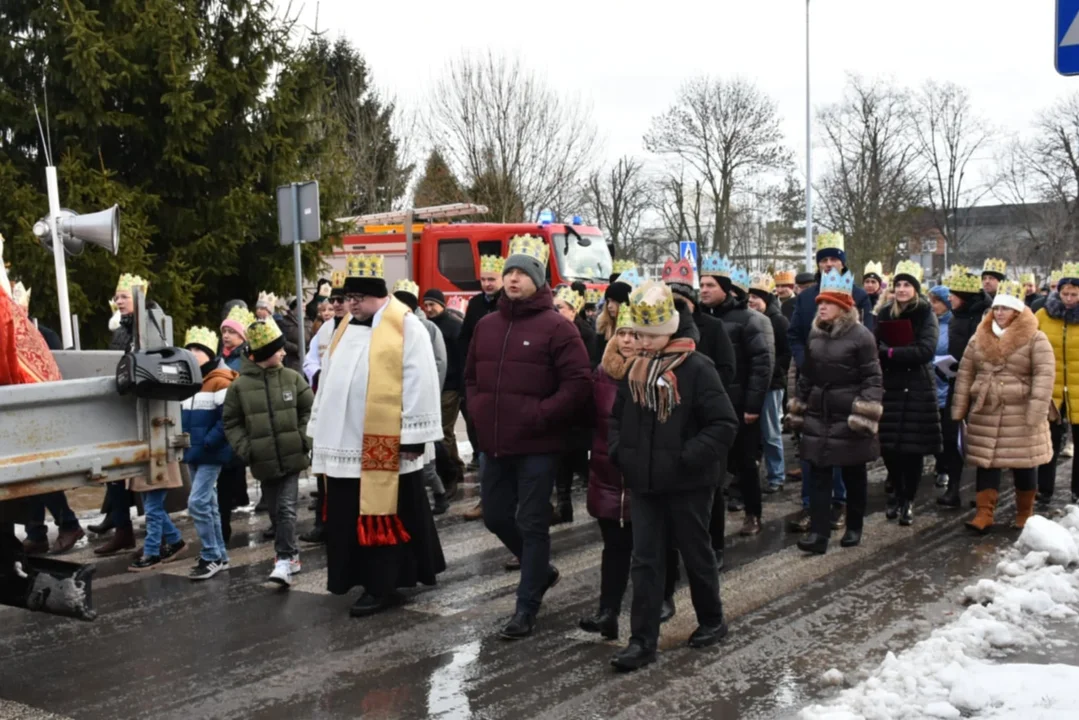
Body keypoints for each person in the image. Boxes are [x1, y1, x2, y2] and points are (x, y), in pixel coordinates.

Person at [465, 235, 592, 639]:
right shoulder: (486, 325)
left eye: (522, 273)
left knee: (532, 522)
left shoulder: (558, 327)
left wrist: (541, 415)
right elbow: (470, 378)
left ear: (538, 280)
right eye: (509, 273)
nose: (514, 279)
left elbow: (577, 384)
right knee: (497, 515)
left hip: (538, 445)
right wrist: (479, 412)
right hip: (495, 443)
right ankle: (542, 571)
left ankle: (526, 608)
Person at [608, 281, 739, 672]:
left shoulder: (697, 368)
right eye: (636, 334)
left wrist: (684, 459)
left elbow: (722, 424)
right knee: (645, 561)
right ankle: (642, 640)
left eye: (647, 335)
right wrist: (622, 453)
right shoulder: (636, 372)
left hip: (688, 483)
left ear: (666, 332)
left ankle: (712, 620)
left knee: (696, 554)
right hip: (645, 482)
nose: (639, 342)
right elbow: (616, 419)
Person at [307, 255, 444, 615]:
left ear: (378, 295)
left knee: (385, 511)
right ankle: (355, 576)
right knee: (346, 513)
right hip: (344, 442)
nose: (350, 304)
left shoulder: (405, 326)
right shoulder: (345, 327)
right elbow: (329, 379)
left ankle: (383, 584)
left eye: (358, 298)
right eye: (348, 298)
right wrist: (318, 426)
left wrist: (414, 435)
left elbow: (421, 380)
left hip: (385, 445)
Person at [579, 304, 680, 640]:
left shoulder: (658, 371)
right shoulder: (601, 374)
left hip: (645, 473)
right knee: (614, 546)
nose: (626, 340)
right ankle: (607, 612)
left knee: (653, 544)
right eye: (621, 333)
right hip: (607, 473)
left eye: (633, 333)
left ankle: (662, 598)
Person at [787, 269, 883, 554]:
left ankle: (854, 526)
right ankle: (818, 534)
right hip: (819, 413)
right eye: (819, 303)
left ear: (843, 306)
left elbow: (873, 378)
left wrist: (863, 413)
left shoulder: (861, 336)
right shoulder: (815, 336)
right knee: (818, 474)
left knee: (853, 473)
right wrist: (798, 407)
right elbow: (808, 374)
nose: (821, 307)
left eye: (827, 303)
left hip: (848, 413)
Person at [953, 281, 1055, 532]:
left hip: (1019, 410)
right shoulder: (979, 337)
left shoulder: (1036, 338)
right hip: (987, 409)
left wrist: (1036, 411)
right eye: (996, 308)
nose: (999, 313)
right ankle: (984, 513)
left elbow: (1044, 376)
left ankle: (1025, 512)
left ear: (1017, 312)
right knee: (986, 462)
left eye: (1005, 309)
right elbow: (966, 373)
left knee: (1024, 462)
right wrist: (960, 407)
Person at [223, 316, 314, 588]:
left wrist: (303, 439)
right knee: (275, 511)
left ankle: (284, 559)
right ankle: (292, 554)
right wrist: (246, 449)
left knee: (286, 508)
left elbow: (310, 410)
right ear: (264, 354)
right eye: (278, 349)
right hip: (262, 459)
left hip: (292, 455)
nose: (284, 353)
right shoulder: (239, 386)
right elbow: (232, 422)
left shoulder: (292, 378)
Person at [699, 254, 774, 537]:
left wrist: (753, 405)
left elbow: (760, 364)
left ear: (725, 288)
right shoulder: (701, 319)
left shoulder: (748, 320)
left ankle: (753, 513)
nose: (704, 290)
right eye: (702, 285)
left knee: (745, 463)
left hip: (740, 405)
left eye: (710, 285)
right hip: (709, 406)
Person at [875, 261, 942, 526]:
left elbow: (926, 350)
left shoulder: (926, 313)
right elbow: (875, 343)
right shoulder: (884, 313)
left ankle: (908, 499)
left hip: (917, 387)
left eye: (907, 285)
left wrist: (891, 353)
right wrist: (886, 352)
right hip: (890, 385)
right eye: (898, 285)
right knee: (890, 446)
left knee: (912, 449)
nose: (902, 289)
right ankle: (896, 493)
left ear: (915, 289)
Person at [93, 274, 152, 555]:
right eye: (116, 297)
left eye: (124, 296)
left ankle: (158, 536)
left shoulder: (150, 324)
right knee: (115, 473)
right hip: (120, 408)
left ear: (138, 298)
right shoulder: (120, 330)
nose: (118, 301)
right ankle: (122, 530)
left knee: (149, 476)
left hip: (144, 409)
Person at [181, 327, 238, 580]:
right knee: (209, 503)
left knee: (198, 502)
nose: (192, 354)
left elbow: (228, 418)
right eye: (189, 349)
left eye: (197, 350)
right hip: (193, 451)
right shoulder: (187, 382)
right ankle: (220, 555)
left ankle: (211, 554)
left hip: (210, 452)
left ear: (208, 352)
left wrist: (207, 442)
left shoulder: (220, 380)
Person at [393, 279, 451, 514]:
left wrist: (430, 394)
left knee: (425, 461)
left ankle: (440, 495)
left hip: (420, 400)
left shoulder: (426, 328)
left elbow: (438, 363)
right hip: (397, 401)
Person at [299, 274, 348, 544]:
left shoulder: (360, 326)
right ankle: (322, 523)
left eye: (342, 300)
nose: (338, 305)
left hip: (347, 410)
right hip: (325, 403)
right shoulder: (326, 329)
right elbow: (310, 359)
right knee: (323, 469)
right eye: (334, 300)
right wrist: (318, 375)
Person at [936, 268, 990, 509]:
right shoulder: (956, 317)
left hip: (980, 387)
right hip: (955, 384)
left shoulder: (986, 318)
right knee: (951, 436)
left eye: (953, 295)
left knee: (980, 439)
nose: (949, 299)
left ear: (964, 297)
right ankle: (953, 488)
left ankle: (983, 494)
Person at [458, 256, 505, 521]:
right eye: (484, 279)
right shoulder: (475, 304)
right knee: (482, 443)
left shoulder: (507, 304)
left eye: (491, 279)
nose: (487, 284)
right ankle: (486, 499)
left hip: (502, 380)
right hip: (479, 379)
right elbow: (466, 338)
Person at [1034, 263, 1079, 507]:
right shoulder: (1043, 315)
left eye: (1074, 294)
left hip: (1077, 388)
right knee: (1048, 441)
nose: (1069, 299)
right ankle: (1044, 489)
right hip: (1051, 388)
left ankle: (1077, 491)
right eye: (1065, 294)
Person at [551, 284, 595, 523]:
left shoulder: (585, 333)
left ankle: (601, 497)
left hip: (578, 407)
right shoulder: (554, 330)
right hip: (559, 404)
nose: (556, 311)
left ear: (572, 310)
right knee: (562, 459)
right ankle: (564, 506)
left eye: (561, 307)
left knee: (578, 458)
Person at [662, 257, 737, 390]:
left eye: (680, 302)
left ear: (691, 301)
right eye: (670, 302)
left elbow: (727, 369)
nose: (675, 307)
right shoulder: (659, 329)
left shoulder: (713, 326)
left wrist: (704, 389)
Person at [748, 273, 791, 494]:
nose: (752, 301)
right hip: (753, 383)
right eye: (749, 297)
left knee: (771, 432)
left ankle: (777, 475)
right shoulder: (749, 318)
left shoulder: (779, 321)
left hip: (772, 384)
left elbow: (786, 352)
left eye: (756, 297)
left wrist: (772, 371)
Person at [423, 287, 466, 500]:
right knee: (446, 432)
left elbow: (461, 357)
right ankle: (457, 468)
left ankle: (449, 475)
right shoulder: (425, 326)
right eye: (426, 305)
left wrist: (460, 386)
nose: (429, 309)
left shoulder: (453, 326)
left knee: (442, 432)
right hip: (433, 386)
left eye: (433, 304)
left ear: (442, 305)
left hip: (450, 386)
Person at [216, 304, 255, 539]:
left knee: (230, 474)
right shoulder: (221, 357)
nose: (227, 336)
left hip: (239, 424)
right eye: (224, 332)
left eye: (231, 332)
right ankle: (223, 525)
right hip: (222, 423)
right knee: (223, 478)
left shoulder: (245, 359)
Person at [927, 285, 953, 490]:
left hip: (944, 383)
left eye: (936, 301)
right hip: (927, 383)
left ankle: (943, 467)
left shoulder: (952, 325)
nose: (932, 305)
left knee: (944, 430)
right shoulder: (928, 322)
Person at [278, 298, 311, 374]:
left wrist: (308, 349)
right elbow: (281, 340)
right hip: (290, 360)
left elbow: (313, 338)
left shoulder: (309, 322)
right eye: (302, 306)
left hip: (306, 359)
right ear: (294, 308)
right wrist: (297, 348)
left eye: (305, 306)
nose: (304, 309)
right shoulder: (283, 322)